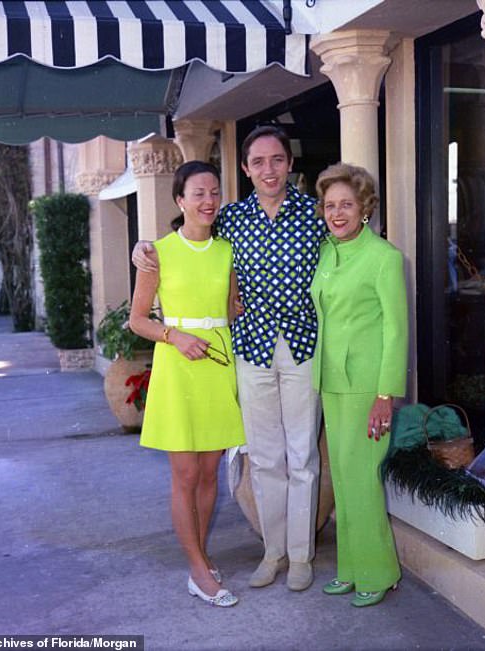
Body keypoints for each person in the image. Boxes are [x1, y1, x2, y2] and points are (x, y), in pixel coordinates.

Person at [133, 126, 327, 592]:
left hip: (301, 346)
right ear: (246, 169)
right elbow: (186, 244)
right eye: (258, 162)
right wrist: (143, 247)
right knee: (262, 457)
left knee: (301, 455)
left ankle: (301, 556)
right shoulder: (232, 219)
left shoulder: (315, 216)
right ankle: (273, 552)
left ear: (289, 164)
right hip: (250, 350)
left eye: (277, 159)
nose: (268, 169)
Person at [129, 160, 245, 608]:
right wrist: (174, 335)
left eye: (214, 192)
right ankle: (197, 569)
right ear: (180, 200)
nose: (209, 200)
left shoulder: (227, 251)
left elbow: (232, 307)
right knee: (186, 473)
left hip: (217, 363)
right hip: (178, 363)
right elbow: (139, 320)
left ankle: (202, 556)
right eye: (198, 193)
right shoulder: (157, 252)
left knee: (210, 473)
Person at [311, 163, 408, 608]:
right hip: (332, 381)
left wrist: (384, 395)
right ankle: (351, 569)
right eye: (330, 205)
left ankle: (380, 572)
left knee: (363, 480)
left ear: (364, 207)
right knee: (346, 480)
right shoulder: (328, 252)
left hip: (367, 388)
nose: (337, 213)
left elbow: (396, 332)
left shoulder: (383, 257)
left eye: (346, 204)